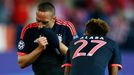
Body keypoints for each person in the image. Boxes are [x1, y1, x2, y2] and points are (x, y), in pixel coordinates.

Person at [17, 2, 77, 75]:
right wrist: (39, 49)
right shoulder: (29, 30)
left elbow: (76, 57)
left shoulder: (66, 27)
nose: (40, 25)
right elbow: (21, 63)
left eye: (45, 22)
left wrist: (57, 43)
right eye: (38, 20)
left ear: (54, 18)